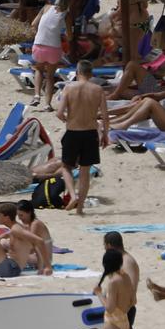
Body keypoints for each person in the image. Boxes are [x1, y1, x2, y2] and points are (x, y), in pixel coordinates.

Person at [57, 60, 108, 215]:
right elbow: (105, 116)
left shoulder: (69, 88)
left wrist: (67, 119)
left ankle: (72, 195)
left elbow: (59, 112)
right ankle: (80, 209)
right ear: (91, 74)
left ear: (78, 72)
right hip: (90, 133)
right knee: (85, 171)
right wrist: (105, 134)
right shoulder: (98, 89)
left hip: (73, 131)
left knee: (66, 167)